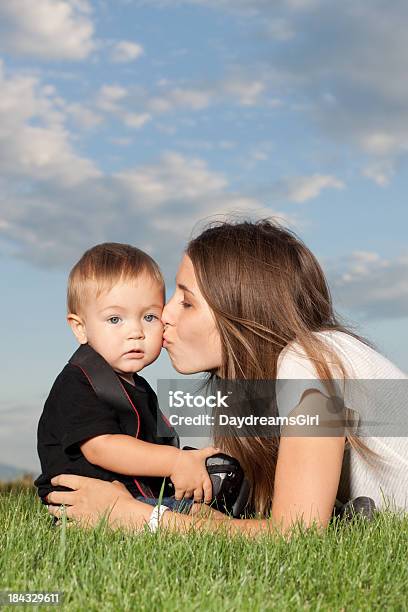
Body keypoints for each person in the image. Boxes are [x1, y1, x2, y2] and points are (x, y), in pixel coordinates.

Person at [46, 220, 408, 535]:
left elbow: (296, 535)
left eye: (186, 302)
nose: (164, 315)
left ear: (237, 313)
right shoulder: (268, 386)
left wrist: (138, 517)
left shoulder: (308, 363)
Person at [35, 242, 219, 513]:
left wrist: (188, 461)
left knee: (210, 505)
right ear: (80, 328)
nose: (136, 331)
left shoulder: (137, 386)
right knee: (200, 518)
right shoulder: (79, 382)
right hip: (85, 506)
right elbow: (102, 447)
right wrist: (175, 461)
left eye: (149, 316)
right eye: (114, 320)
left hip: (133, 498)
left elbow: (147, 449)